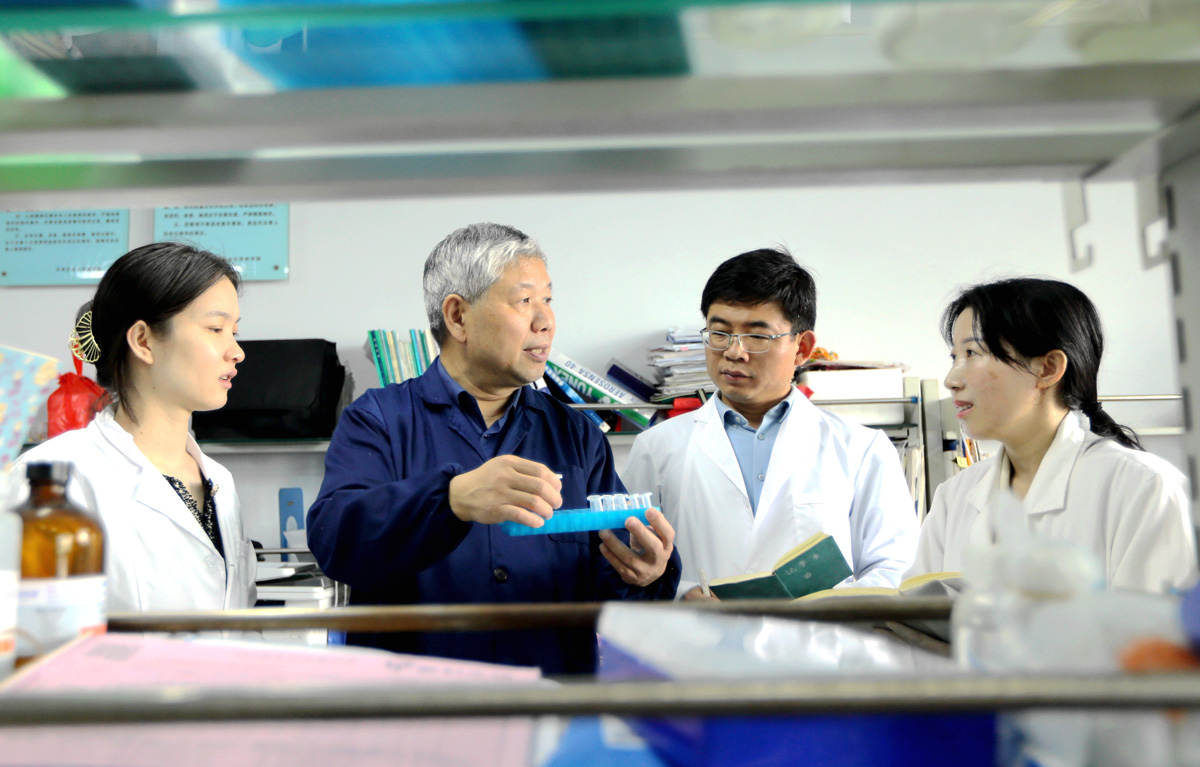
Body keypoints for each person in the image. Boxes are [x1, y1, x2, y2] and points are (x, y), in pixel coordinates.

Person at [306, 223, 679, 674]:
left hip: (548, 702)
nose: (545, 321)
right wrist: (450, 499)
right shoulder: (379, 420)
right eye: (525, 301)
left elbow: (609, 589)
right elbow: (336, 542)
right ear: (458, 317)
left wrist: (646, 572)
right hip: (417, 703)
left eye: (548, 300)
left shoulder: (577, 434)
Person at [622, 248, 919, 600]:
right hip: (698, 633)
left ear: (802, 347)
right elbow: (630, 564)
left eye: (757, 336)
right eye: (720, 333)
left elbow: (894, 568)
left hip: (818, 634)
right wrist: (682, 595)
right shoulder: (657, 447)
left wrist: (827, 609)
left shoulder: (862, 449)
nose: (734, 351)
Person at [908, 277, 1197, 591]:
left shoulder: (1145, 489)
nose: (951, 380)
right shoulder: (954, 497)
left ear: (1047, 368)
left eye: (973, 353)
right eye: (955, 358)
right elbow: (914, 613)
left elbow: (1161, 620)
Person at [16, 242, 256, 611]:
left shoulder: (220, 482)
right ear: (143, 341)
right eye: (215, 328)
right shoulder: (54, 479)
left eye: (234, 331)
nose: (236, 352)